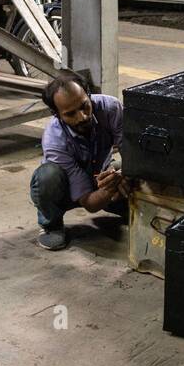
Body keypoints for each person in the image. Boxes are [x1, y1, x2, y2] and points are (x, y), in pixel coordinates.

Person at [31, 69, 129, 251]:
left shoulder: (112, 108)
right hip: (68, 187)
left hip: (101, 172)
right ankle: (51, 226)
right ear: (57, 114)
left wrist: (125, 175)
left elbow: (131, 153)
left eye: (84, 106)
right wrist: (110, 188)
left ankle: (124, 206)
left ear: (89, 95)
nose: (82, 116)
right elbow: (90, 204)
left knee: (142, 166)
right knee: (48, 177)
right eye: (70, 114)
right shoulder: (55, 140)